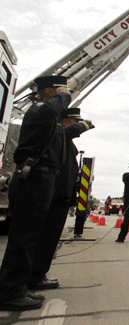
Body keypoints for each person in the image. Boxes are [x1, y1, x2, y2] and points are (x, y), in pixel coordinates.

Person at [0, 76, 71, 311]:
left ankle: (18, 286)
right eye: (60, 91)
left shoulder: (49, 116)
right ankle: (10, 291)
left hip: (42, 178)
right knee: (24, 236)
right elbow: (53, 108)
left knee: (30, 236)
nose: (66, 95)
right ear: (49, 92)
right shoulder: (39, 108)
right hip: (35, 177)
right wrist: (64, 95)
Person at [29, 108, 94, 291]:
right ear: (65, 122)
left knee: (49, 238)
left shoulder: (67, 141)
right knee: (45, 238)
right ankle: (35, 276)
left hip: (60, 195)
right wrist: (84, 125)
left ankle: (38, 274)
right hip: (54, 194)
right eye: (74, 122)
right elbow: (64, 134)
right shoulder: (58, 134)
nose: (76, 126)